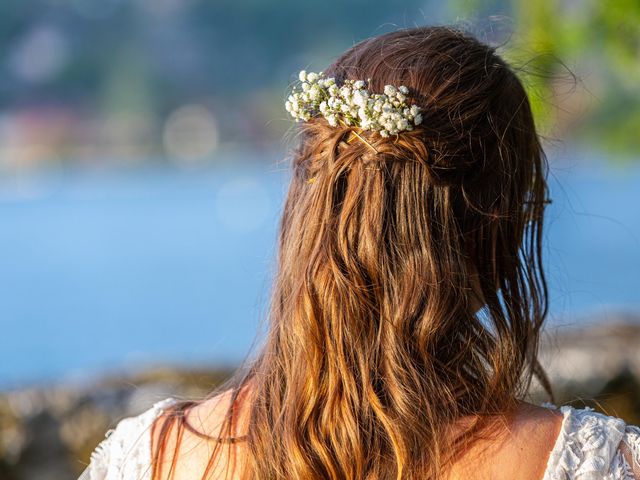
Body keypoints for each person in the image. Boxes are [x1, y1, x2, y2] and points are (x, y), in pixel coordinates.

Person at [79, 25, 640, 480]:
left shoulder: (153, 458)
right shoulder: (594, 463)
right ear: (496, 226)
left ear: (307, 206)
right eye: (525, 199)